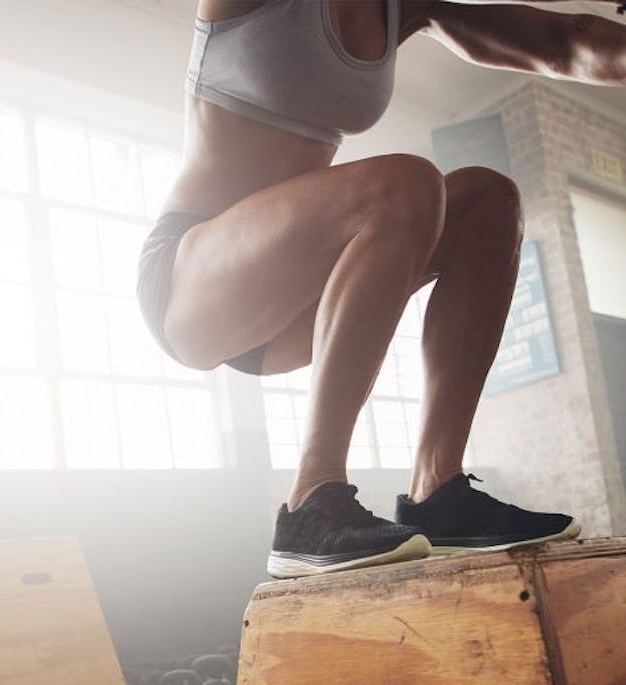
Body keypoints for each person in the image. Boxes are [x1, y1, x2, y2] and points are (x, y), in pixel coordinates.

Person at [136, 0, 624, 578]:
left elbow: (566, 42)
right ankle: (309, 503)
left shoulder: (406, 8)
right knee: (406, 182)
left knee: (489, 200)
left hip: (292, 311)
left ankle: (438, 491)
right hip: (192, 282)